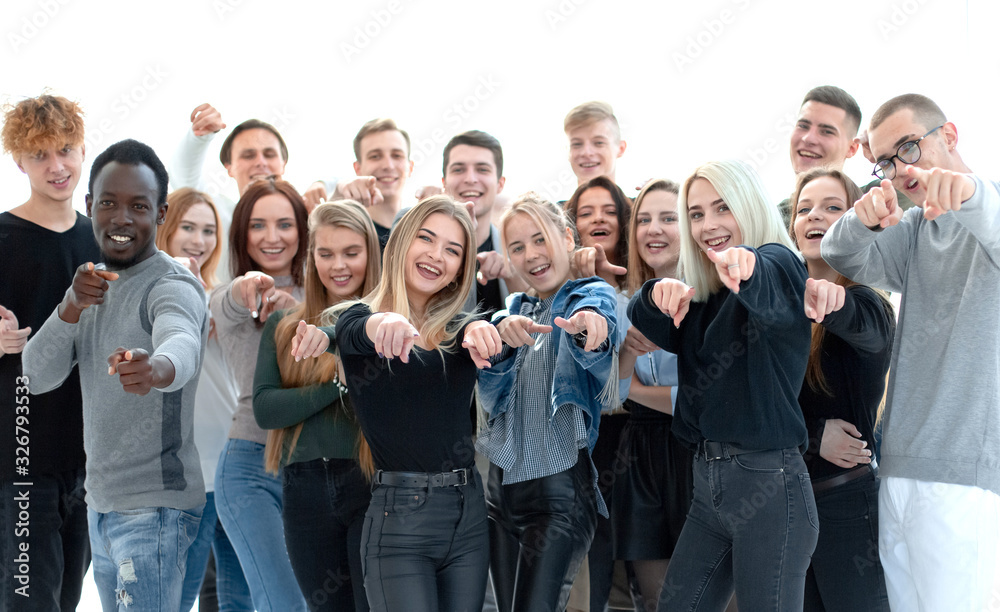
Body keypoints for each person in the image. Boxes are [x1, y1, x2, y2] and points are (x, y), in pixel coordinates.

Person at [821, 93, 1000, 611]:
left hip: (961, 477)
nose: (899, 170)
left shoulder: (987, 210)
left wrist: (966, 193)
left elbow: (990, 215)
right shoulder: (918, 227)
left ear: (949, 135)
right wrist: (863, 217)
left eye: (908, 148)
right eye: (884, 161)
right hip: (896, 469)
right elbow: (839, 251)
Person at [22, 138, 208, 610]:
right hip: (100, 508)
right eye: (108, 203)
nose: (121, 218)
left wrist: (157, 367)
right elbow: (36, 376)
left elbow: (181, 338)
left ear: (161, 214)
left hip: (155, 510)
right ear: (90, 206)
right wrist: (69, 306)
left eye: (139, 206)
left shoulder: (171, 283)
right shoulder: (90, 284)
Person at [628, 159, 817, 611]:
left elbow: (767, 275)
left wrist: (745, 263)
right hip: (709, 486)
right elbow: (645, 317)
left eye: (722, 208)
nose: (708, 225)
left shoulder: (779, 263)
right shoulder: (706, 297)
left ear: (748, 204)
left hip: (769, 488)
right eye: (696, 214)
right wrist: (653, 294)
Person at [301, 195, 494, 611]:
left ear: (462, 266)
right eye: (426, 238)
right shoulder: (355, 319)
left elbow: (488, 331)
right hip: (400, 522)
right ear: (402, 242)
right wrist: (383, 321)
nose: (436, 255)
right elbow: (355, 330)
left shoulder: (464, 330)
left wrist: (500, 329)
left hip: (469, 515)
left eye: (453, 249)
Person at [475, 192, 619, 612]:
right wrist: (501, 332)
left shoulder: (588, 295)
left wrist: (589, 327)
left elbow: (598, 321)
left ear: (568, 238)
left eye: (540, 240)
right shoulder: (512, 310)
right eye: (517, 247)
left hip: (559, 497)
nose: (531, 255)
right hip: (499, 497)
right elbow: (488, 390)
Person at [253, 200, 381, 611]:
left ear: (371, 255)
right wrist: (336, 384)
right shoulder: (284, 324)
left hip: (372, 485)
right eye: (325, 254)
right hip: (303, 489)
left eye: (351, 253)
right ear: (311, 258)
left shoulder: (390, 325)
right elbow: (266, 409)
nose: (338, 265)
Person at [0, 93, 96, 612]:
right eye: (40, 155)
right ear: (19, 162)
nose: (57, 166)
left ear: (83, 150)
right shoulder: (3, 237)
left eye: (65, 149)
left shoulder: (103, 242)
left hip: (89, 464)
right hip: (17, 460)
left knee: (67, 599)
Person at [786, 168, 893, 611]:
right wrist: (812, 435)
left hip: (847, 505)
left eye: (833, 207)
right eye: (804, 208)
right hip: (785, 511)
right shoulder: (775, 306)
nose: (815, 216)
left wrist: (833, 302)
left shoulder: (869, 302)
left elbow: (862, 327)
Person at [210, 179, 308, 612]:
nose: (272, 237)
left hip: (312, 465)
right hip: (249, 467)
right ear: (241, 235)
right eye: (258, 225)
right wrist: (248, 284)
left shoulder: (327, 289)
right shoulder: (229, 296)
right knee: (282, 603)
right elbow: (230, 302)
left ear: (302, 231)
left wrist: (296, 314)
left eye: (285, 224)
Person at [156, 187, 254, 611]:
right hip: (187, 475)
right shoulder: (151, 290)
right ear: (165, 227)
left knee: (239, 599)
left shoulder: (221, 293)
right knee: (178, 597)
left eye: (209, 230)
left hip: (233, 464)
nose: (199, 240)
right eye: (188, 227)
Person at [614, 179, 693, 611]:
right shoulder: (624, 303)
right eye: (643, 219)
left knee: (719, 596)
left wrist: (634, 388)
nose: (653, 229)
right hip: (640, 457)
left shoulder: (710, 299)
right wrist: (626, 366)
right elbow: (610, 394)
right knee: (655, 599)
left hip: (697, 451)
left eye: (667, 218)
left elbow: (696, 400)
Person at [563, 175, 632, 610]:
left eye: (608, 210)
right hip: (590, 440)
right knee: (593, 566)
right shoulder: (559, 284)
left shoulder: (636, 277)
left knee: (637, 577)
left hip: (640, 439)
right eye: (586, 213)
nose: (598, 219)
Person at [441, 129, 525, 316]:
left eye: (482, 169)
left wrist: (512, 276)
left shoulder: (521, 252)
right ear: (444, 183)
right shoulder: (422, 250)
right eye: (458, 169)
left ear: (500, 184)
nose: (470, 179)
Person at [778, 85, 862, 225]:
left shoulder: (872, 201)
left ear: (852, 148)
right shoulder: (772, 220)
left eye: (827, 131)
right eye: (803, 126)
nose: (808, 138)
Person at [333, 118, 413, 250]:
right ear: (357, 168)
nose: (388, 165)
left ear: (410, 167)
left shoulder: (422, 234)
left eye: (397, 155)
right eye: (375, 156)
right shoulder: (347, 236)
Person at [564, 101, 627, 189]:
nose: (586, 152)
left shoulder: (643, 202)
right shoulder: (546, 203)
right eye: (577, 144)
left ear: (621, 148)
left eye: (599, 143)